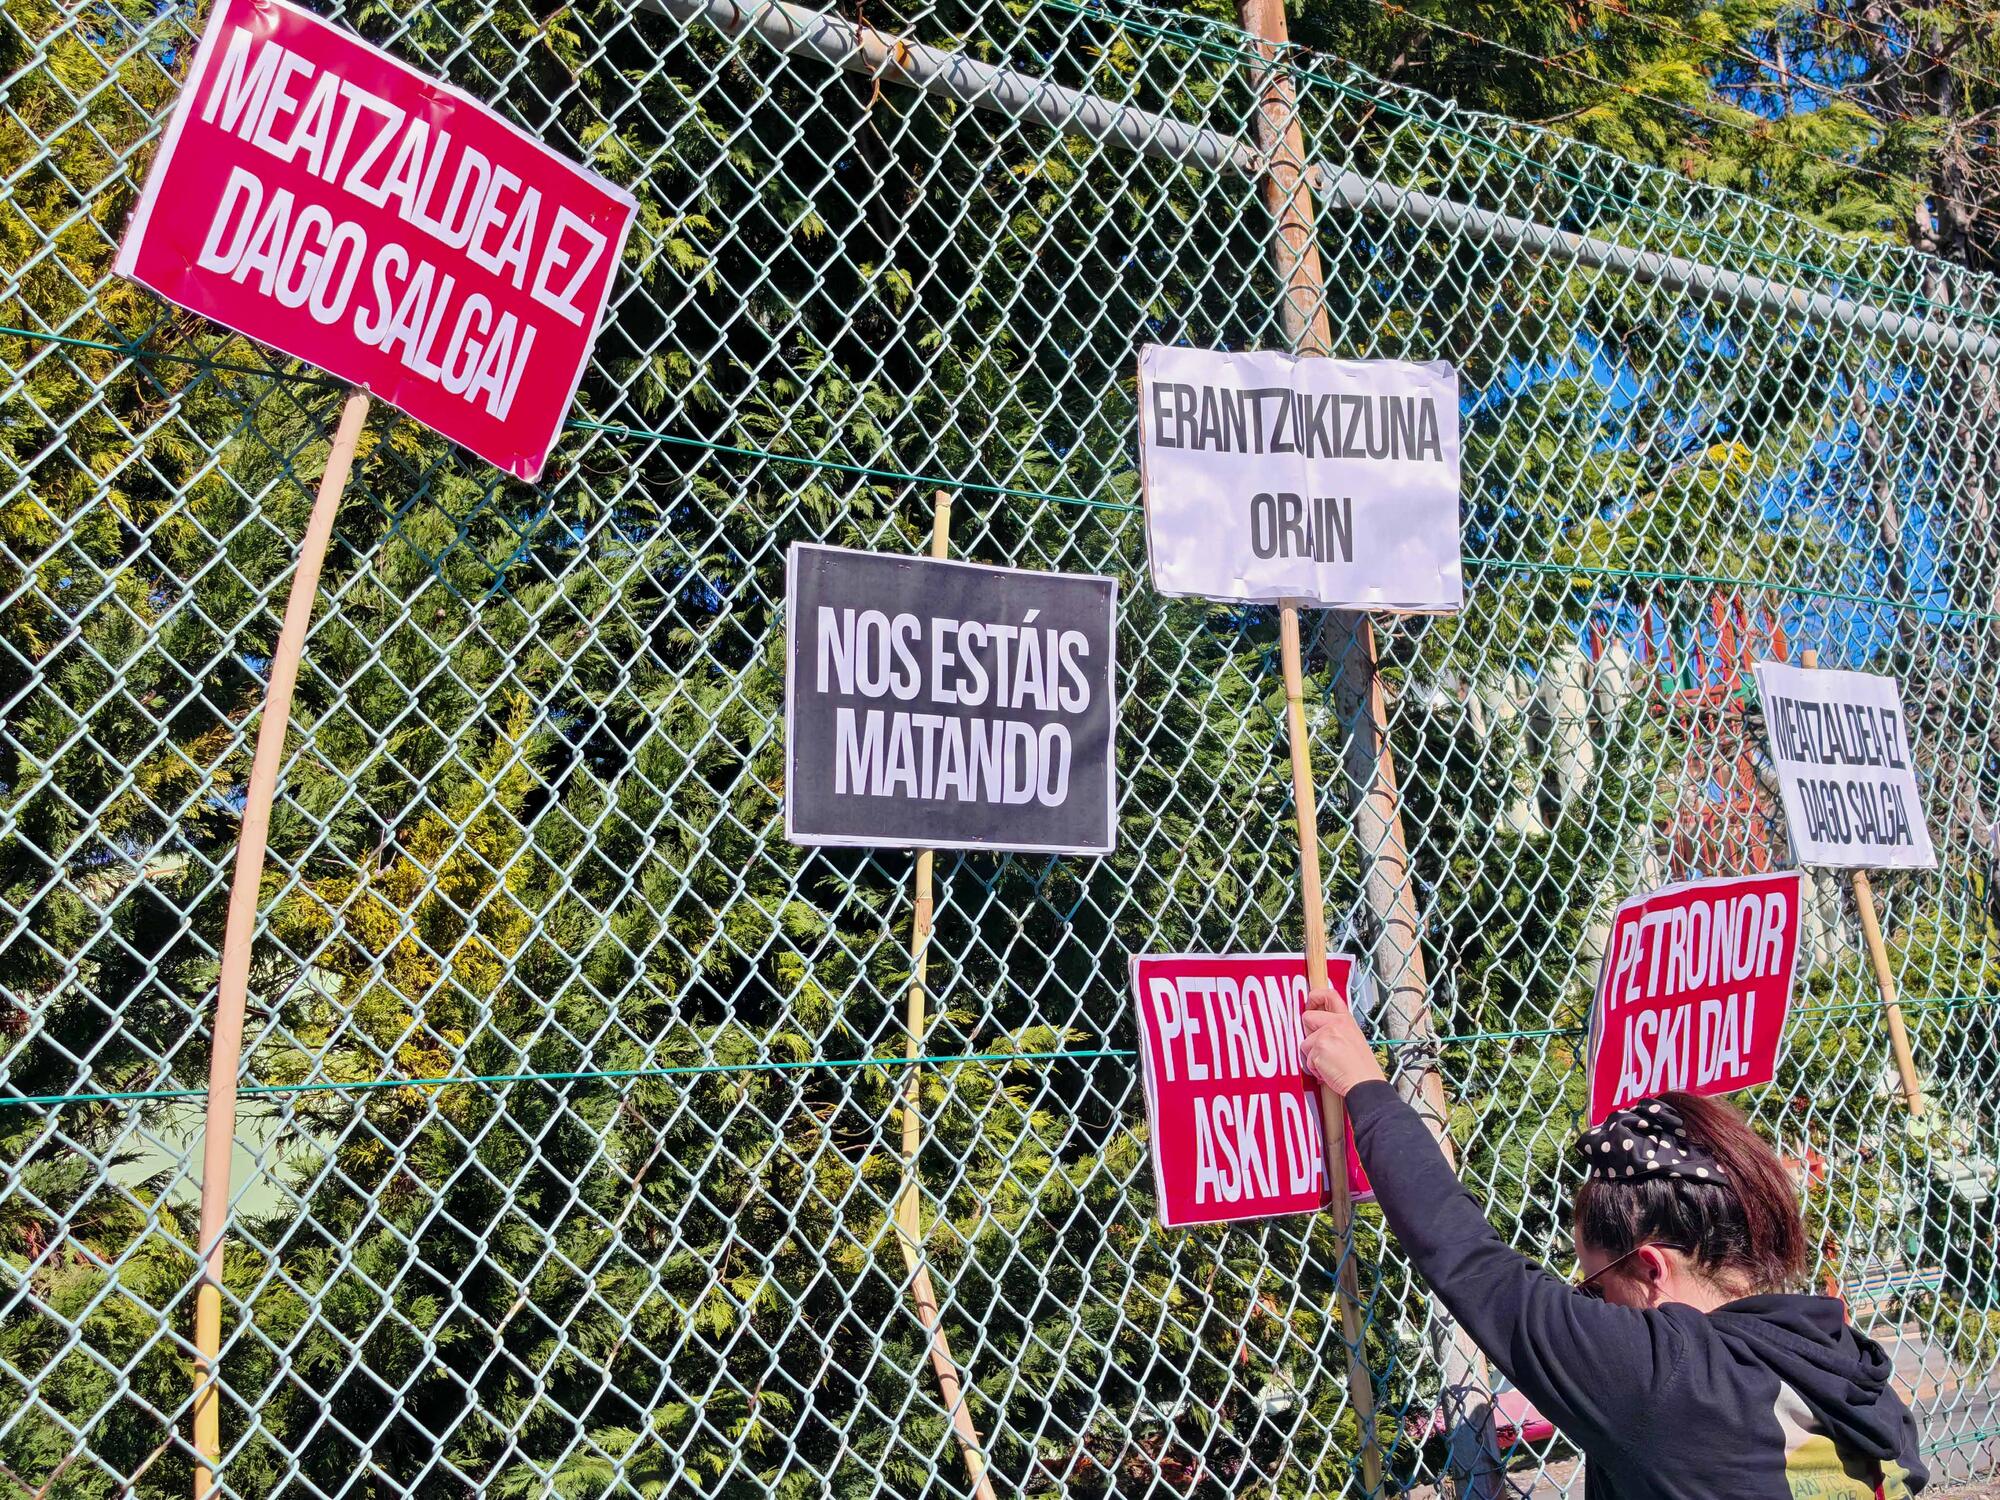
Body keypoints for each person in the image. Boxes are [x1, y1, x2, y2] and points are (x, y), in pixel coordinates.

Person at [1299, 996, 1927, 1500]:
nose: (1591, 1307)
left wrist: (1364, 1084)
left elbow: (1468, 1258)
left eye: (1595, 1288)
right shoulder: (1848, 1366)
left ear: (1652, 1267)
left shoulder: (1671, 1378)